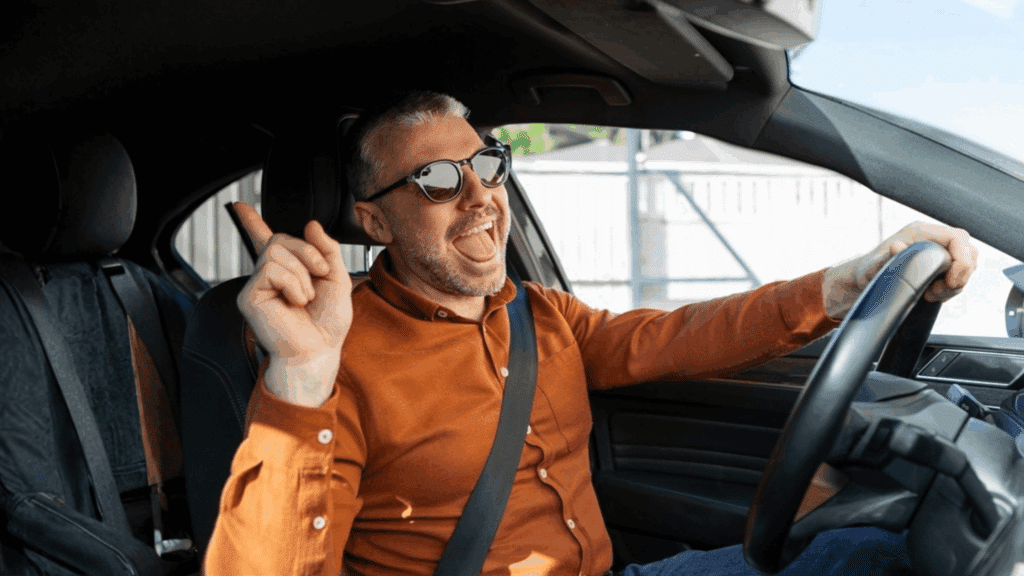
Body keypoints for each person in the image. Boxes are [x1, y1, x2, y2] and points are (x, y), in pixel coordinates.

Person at [203, 91, 978, 576]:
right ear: (373, 219)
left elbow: (683, 335)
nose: (479, 198)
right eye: (438, 180)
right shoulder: (329, 351)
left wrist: (843, 285)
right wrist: (301, 374)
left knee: (889, 552)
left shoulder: (540, 315)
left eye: (488, 166)